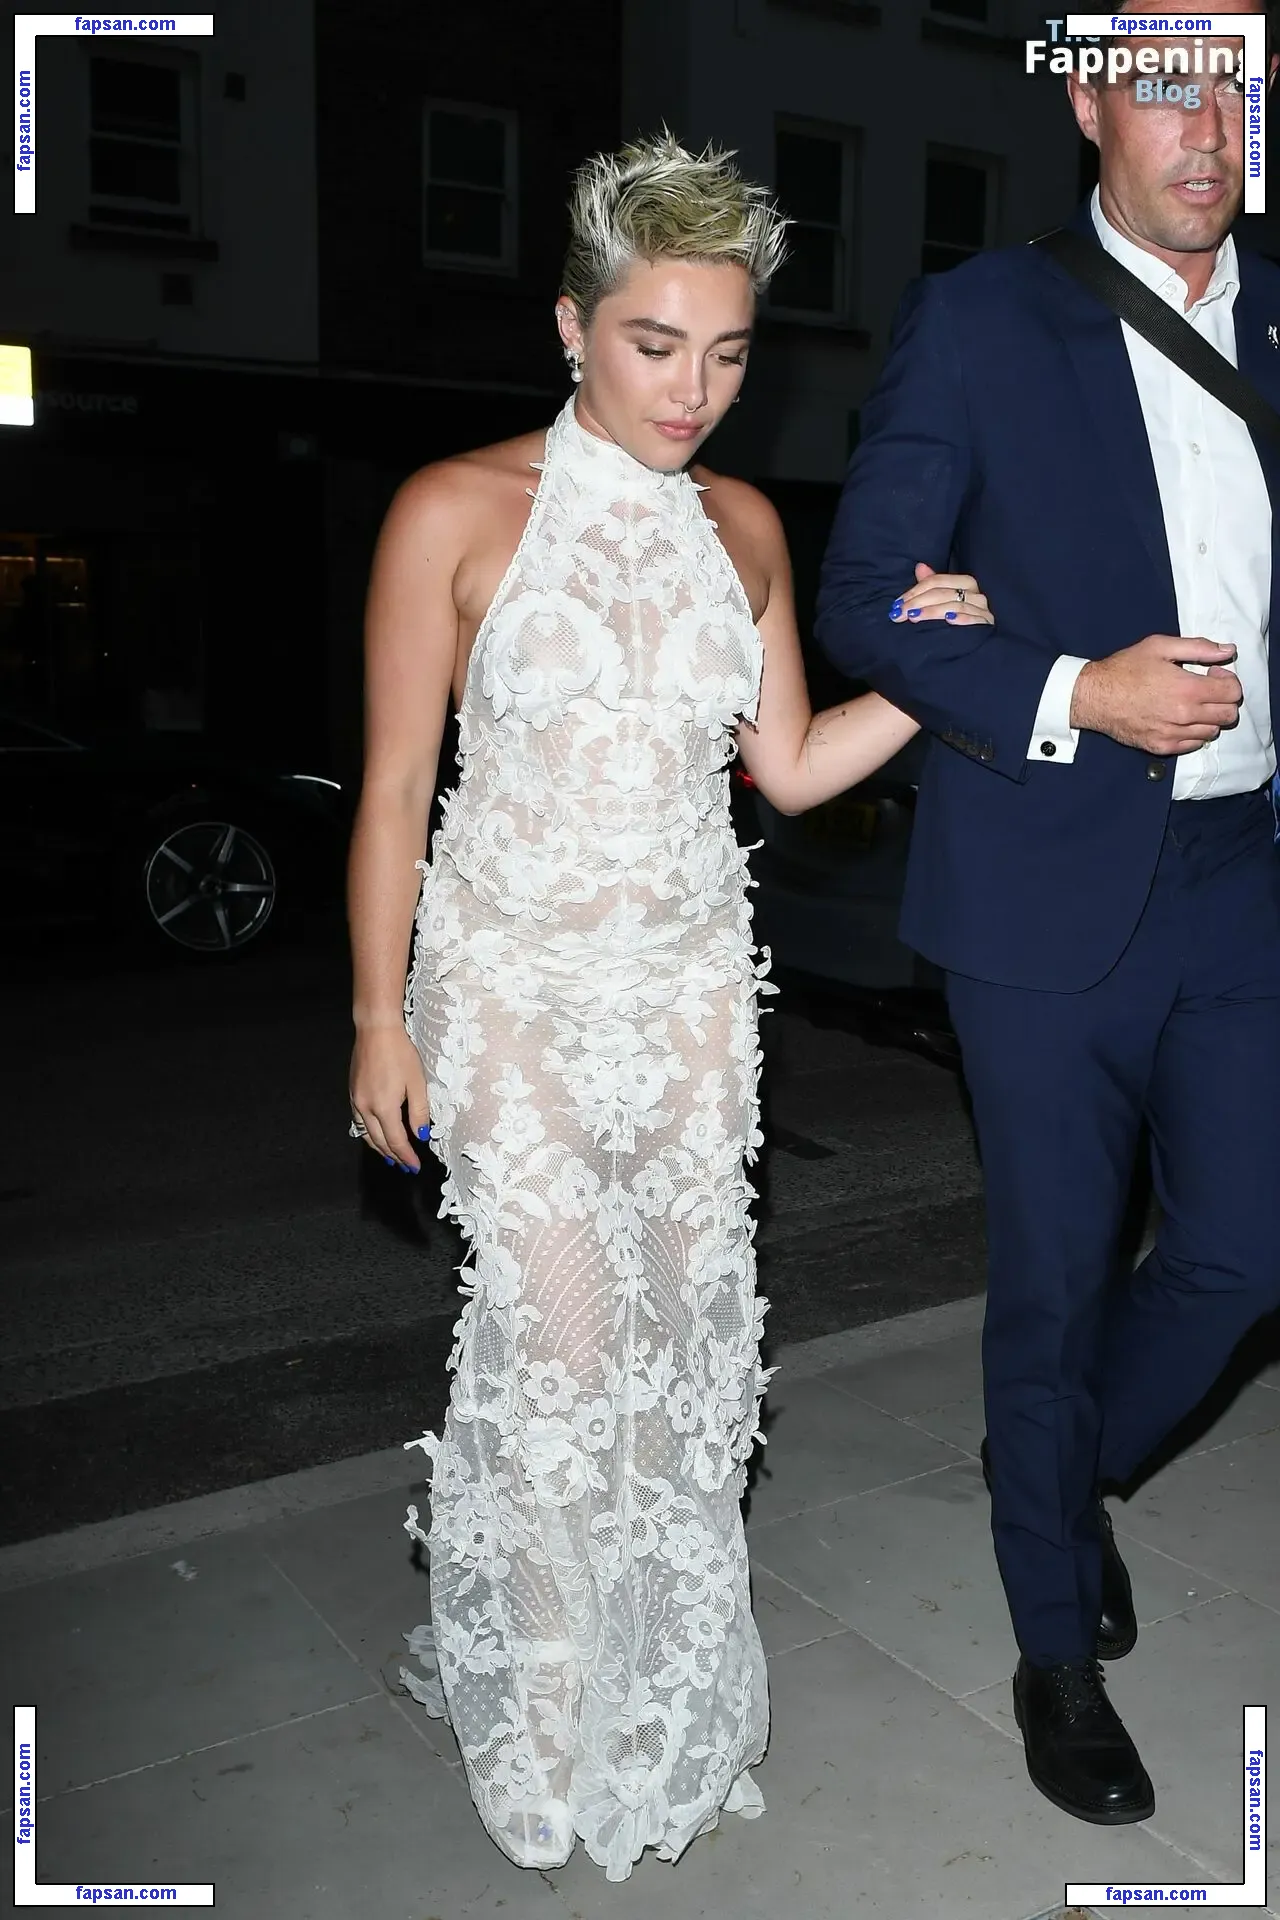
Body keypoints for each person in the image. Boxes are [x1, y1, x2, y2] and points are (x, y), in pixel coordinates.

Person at [345, 132, 990, 1880]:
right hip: (510, 986)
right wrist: (379, 1019)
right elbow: (394, 792)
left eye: (726, 353)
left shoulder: (747, 527)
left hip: (695, 991)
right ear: (573, 327)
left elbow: (790, 768)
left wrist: (931, 670)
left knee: (685, 1358)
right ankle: (550, 1711)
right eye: (653, 345)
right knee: (565, 1352)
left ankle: (658, 1700)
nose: (691, 389)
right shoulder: (452, 510)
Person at [816, 0, 1280, 1829]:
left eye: (1236, 85)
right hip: (1042, 879)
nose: (1207, 126)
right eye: (1165, 84)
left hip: (1246, 874)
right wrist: (1074, 685)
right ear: (1088, 98)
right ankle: (1051, 1650)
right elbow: (865, 595)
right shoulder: (983, 318)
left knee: (1246, 1250)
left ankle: (1060, 1480)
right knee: (1058, 1278)